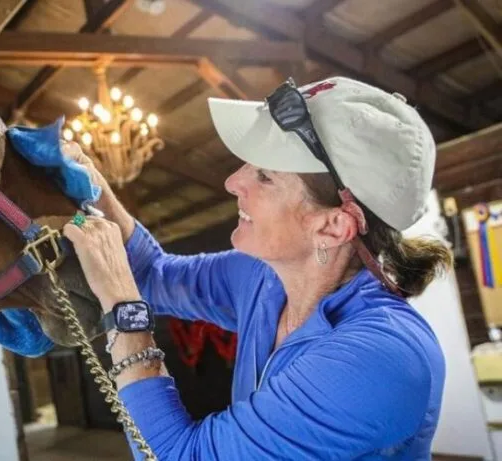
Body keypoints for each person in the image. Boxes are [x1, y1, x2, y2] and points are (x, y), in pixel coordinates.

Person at [61, 76, 451, 460]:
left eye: (265, 176)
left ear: (332, 227)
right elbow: (154, 275)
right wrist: (93, 185)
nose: (233, 181)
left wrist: (122, 308)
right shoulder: (262, 278)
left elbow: (175, 456)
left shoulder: (379, 360)